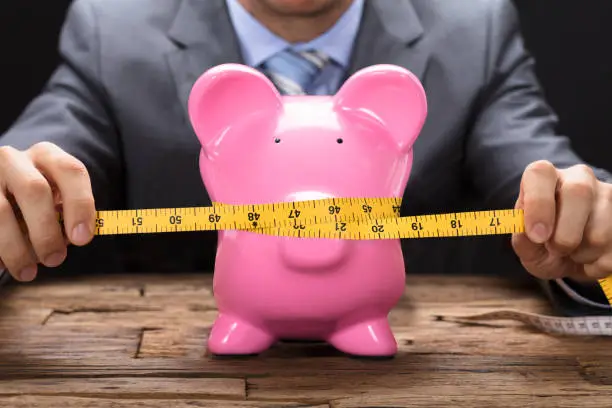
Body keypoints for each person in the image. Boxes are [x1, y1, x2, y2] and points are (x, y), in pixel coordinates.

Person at [0, 0, 611, 316]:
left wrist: (588, 232)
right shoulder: (111, 30)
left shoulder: (474, 30)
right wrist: (15, 197)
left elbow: (545, 174)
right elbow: (43, 156)